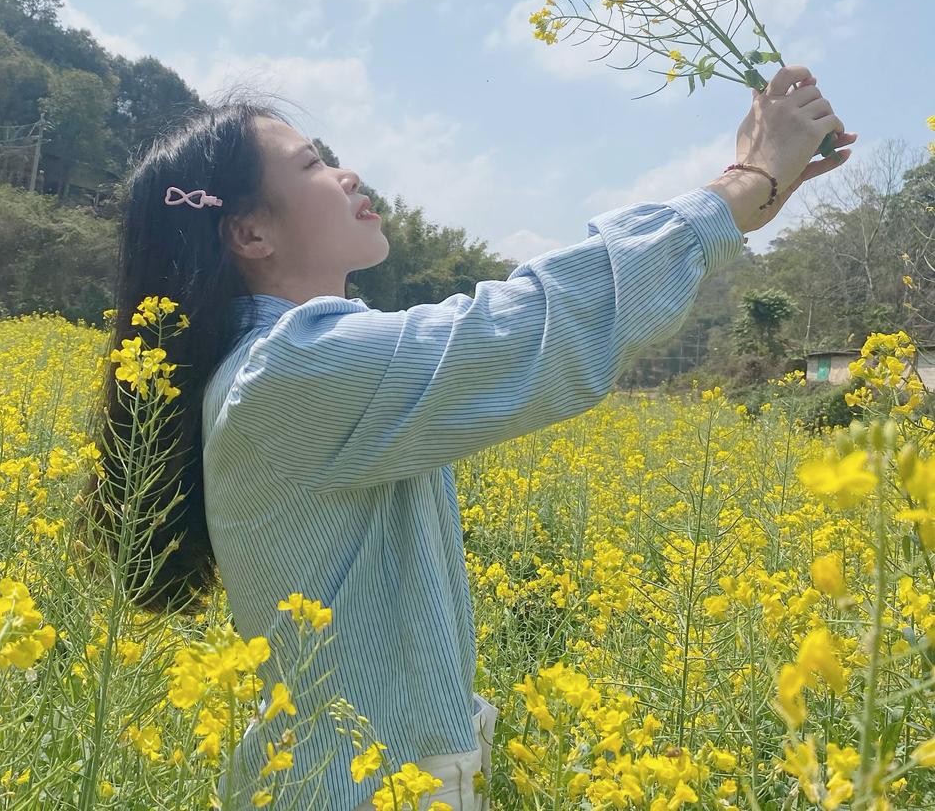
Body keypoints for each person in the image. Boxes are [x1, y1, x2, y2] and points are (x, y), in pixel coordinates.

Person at [83, 67, 854, 811]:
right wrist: (743, 183)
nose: (348, 175)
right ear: (249, 230)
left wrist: (748, 193)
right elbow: (529, 328)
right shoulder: (291, 371)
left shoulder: (296, 364)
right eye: (315, 164)